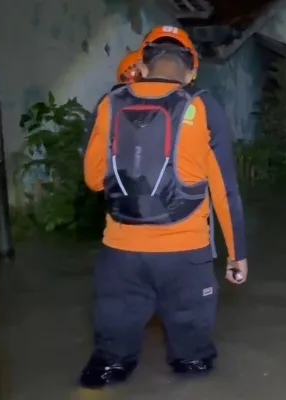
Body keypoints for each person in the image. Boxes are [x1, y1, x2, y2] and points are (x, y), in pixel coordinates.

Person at [80, 25, 247, 388]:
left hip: (121, 254)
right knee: (193, 362)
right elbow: (225, 191)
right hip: (186, 256)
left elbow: (93, 179)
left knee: (108, 361)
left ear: (143, 65)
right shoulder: (203, 106)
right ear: (191, 72)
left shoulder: (109, 103)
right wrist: (237, 255)